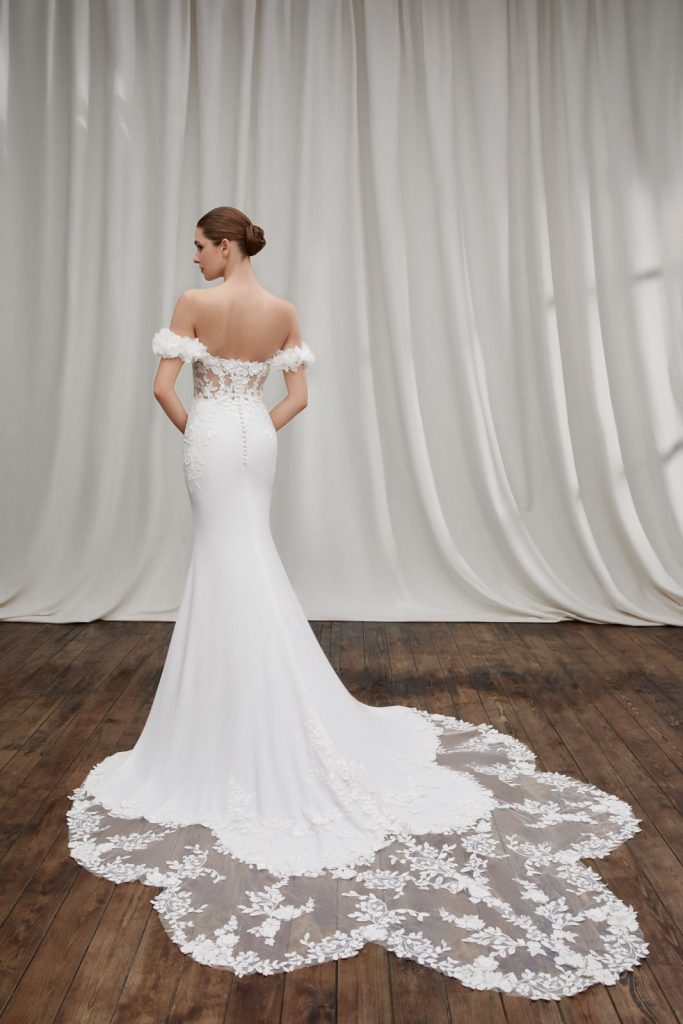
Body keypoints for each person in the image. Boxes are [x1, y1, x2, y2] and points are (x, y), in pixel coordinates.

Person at [67, 206, 648, 998]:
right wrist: (253, 423)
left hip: (211, 438)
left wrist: (202, 430)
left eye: (200, 246)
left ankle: (228, 712)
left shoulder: (194, 303)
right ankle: (257, 696)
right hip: (258, 441)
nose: (194, 258)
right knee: (249, 557)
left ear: (225, 246)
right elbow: (297, 398)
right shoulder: (282, 310)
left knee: (224, 559)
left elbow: (161, 388)